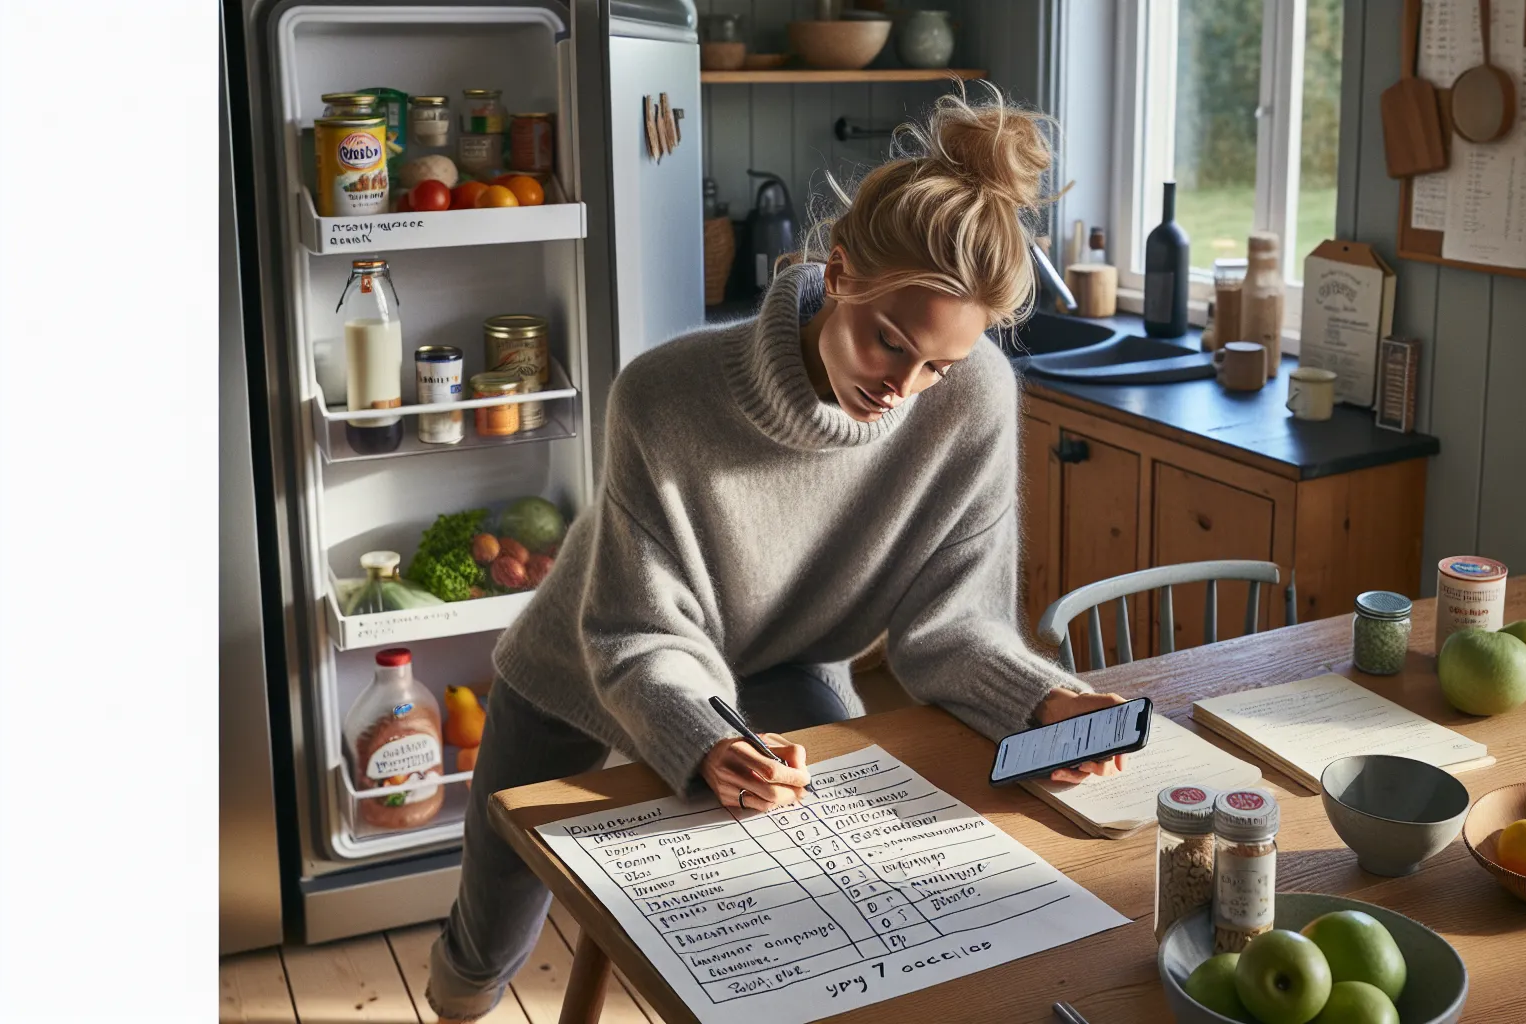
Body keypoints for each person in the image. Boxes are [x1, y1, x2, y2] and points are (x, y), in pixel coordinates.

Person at [427, 83, 1131, 1022]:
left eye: (940, 366)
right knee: (489, 940)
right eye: (889, 343)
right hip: (593, 655)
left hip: (791, 659)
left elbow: (955, 627)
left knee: (824, 898)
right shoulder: (664, 395)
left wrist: (1041, 701)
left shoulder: (972, 401)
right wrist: (700, 736)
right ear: (838, 274)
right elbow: (638, 630)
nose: (906, 389)